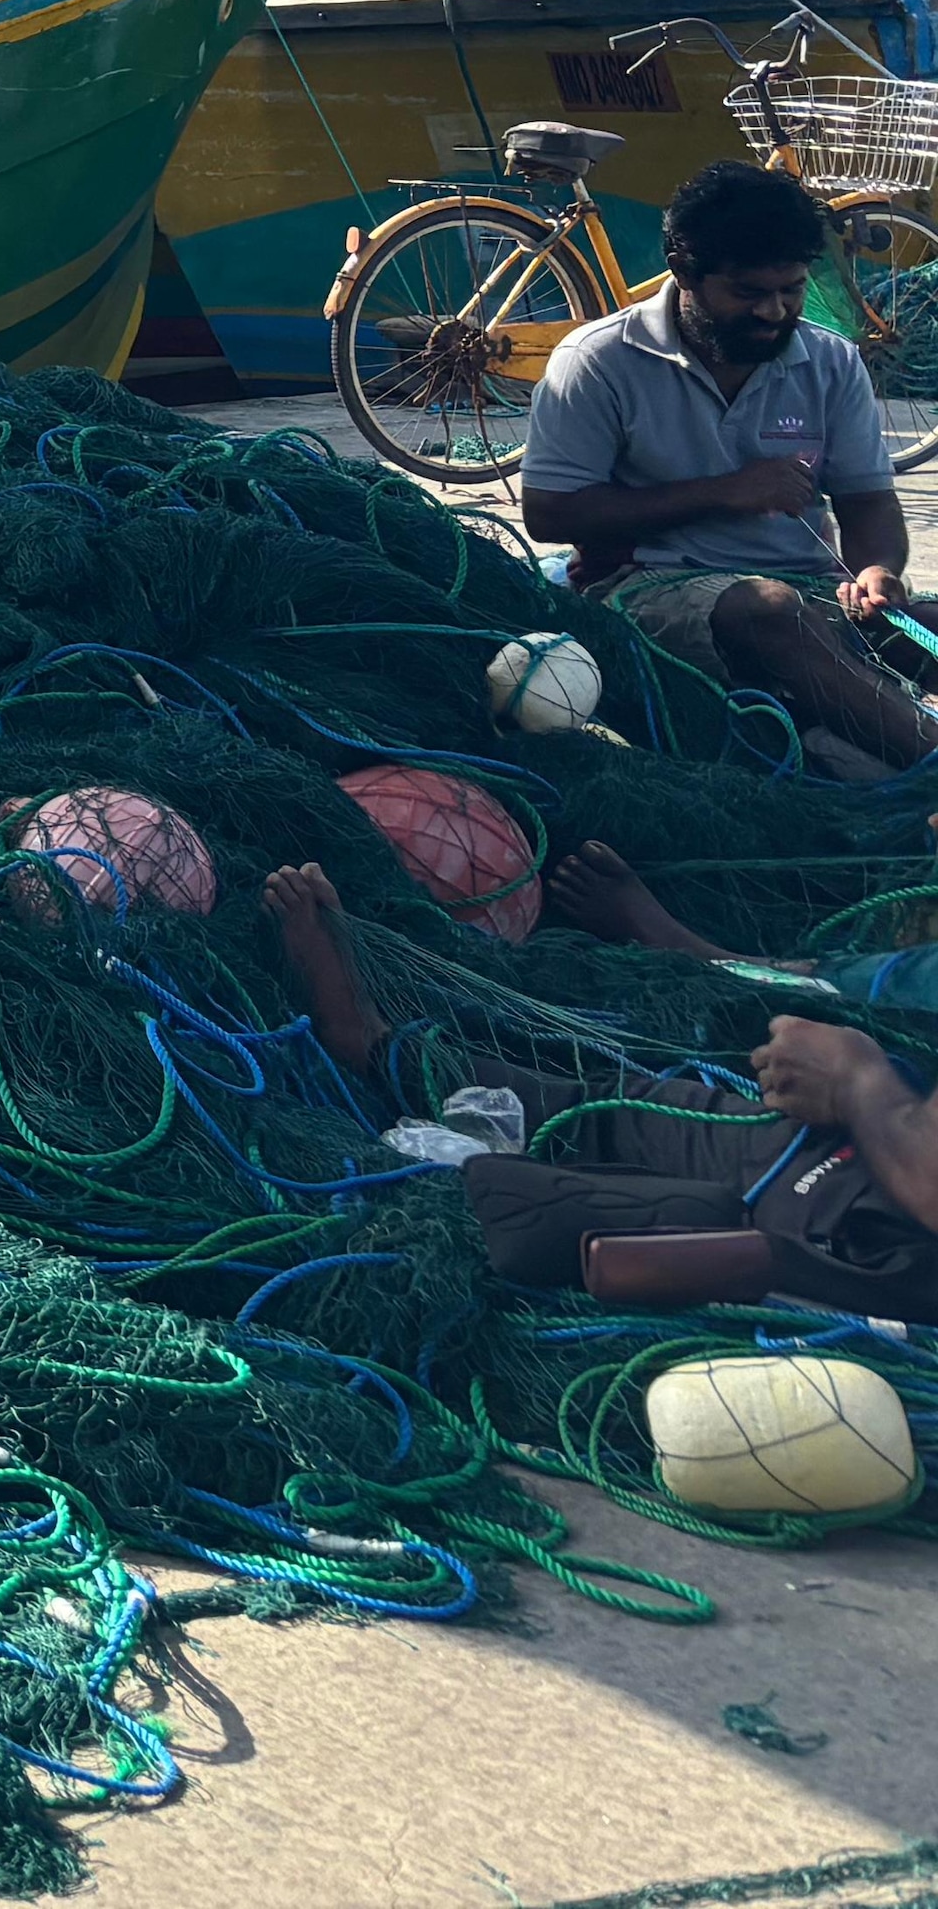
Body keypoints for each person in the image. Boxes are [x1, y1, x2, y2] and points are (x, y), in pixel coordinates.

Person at [266, 856, 938, 1304]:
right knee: (620, 1108)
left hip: (883, 1250)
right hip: (864, 1163)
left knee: (566, 1195)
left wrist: (857, 1079)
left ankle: (374, 1054)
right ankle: (374, 1046)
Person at [520, 157, 930, 773]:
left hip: (811, 592)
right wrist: (724, 491)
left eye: (791, 290)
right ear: (684, 270)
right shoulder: (598, 361)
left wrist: (877, 569)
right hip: (648, 588)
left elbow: (867, 500)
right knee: (772, 611)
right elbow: (550, 514)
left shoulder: (832, 361)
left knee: (920, 623)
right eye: (749, 293)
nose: (774, 312)